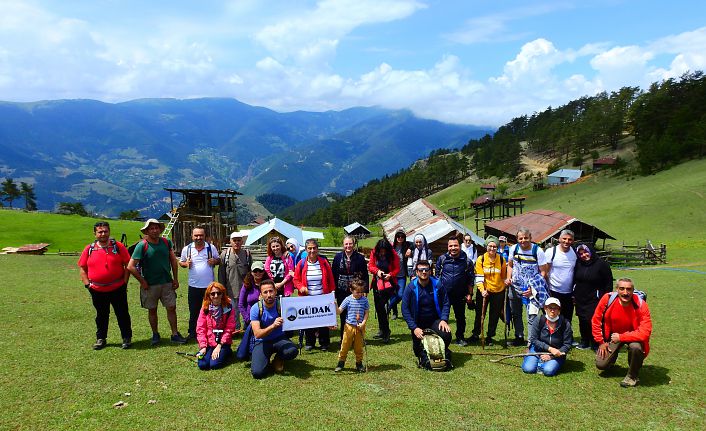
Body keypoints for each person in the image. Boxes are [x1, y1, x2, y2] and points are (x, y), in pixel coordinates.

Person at [127, 219, 187, 345]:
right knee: (152, 310)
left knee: (171, 308)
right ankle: (155, 334)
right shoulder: (142, 245)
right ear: (147, 231)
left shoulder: (166, 242)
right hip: (150, 285)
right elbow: (131, 266)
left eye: (156, 228)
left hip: (166, 282)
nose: (154, 230)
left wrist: (175, 278)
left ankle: (174, 334)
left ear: (160, 229)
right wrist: (142, 281)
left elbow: (173, 261)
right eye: (151, 228)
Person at [78, 221, 132, 350]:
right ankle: (101, 338)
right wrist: (87, 285)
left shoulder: (118, 246)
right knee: (101, 315)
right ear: (95, 233)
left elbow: (128, 265)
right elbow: (82, 268)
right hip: (97, 289)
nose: (103, 234)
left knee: (122, 314)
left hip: (118, 288)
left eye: (105, 231)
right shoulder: (89, 249)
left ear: (109, 232)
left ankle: (126, 338)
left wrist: (124, 282)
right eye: (100, 232)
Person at [592, 278, 652, 387]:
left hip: (633, 337)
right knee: (601, 364)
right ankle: (611, 361)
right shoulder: (608, 299)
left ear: (633, 290)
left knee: (636, 348)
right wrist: (601, 342)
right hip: (613, 336)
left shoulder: (641, 304)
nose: (625, 292)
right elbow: (596, 320)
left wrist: (621, 337)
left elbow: (645, 332)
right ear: (616, 290)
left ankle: (632, 376)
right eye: (622, 289)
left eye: (629, 289)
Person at [401, 260, 452, 366]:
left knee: (446, 334)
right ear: (416, 272)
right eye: (421, 270)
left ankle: (443, 351)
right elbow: (405, 309)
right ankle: (426, 355)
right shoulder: (410, 288)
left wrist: (444, 319)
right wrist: (414, 327)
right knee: (418, 351)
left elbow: (446, 302)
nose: (424, 272)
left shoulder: (437, 284)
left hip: (434, 320)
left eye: (426, 270)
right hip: (418, 323)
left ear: (430, 271)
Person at [505, 228, 549, 347]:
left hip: (531, 290)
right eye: (520, 238)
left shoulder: (538, 251)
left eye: (526, 238)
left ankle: (531, 341)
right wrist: (508, 277)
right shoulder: (513, 249)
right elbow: (510, 266)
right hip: (515, 287)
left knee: (532, 315)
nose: (523, 240)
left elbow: (543, 273)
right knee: (516, 313)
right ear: (517, 239)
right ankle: (519, 336)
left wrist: (533, 289)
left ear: (530, 237)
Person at [250, 280, 299, 378]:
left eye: (271, 291)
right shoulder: (256, 308)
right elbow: (257, 334)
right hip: (262, 341)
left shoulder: (282, 305)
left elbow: (301, 312)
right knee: (258, 373)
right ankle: (264, 359)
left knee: (292, 350)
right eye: (265, 292)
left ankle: (278, 359)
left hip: (279, 338)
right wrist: (273, 326)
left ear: (275, 291)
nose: (269, 295)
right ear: (261, 295)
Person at [179, 227, 220, 340]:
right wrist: (186, 263)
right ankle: (193, 332)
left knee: (210, 310)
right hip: (193, 286)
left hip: (209, 287)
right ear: (192, 236)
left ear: (204, 236)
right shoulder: (187, 249)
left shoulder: (211, 248)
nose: (198, 238)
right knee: (194, 311)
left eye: (201, 235)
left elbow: (218, 260)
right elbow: (181, 262)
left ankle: (210, 331)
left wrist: (214, 261)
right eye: (196, 235)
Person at [294, 238, 336, 350]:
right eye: (309, 248)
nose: (312, 250)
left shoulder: (324, 262)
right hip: (307, 298)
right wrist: (301, 287)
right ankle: (310, 343)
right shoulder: (301, 263)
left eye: (314, 248)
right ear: (306, 249)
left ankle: (324, 343)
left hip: (322, 296)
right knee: (309, 320)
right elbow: (296, 279)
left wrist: (332, 293)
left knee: (323, 319)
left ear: (317, 249)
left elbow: (331, 279)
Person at [573, 243, 613, 349]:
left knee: (593, 320)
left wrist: (606, 298)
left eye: (586, 252)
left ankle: (596, 342)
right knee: (582, 320)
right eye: (580, 254)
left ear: (591, 251)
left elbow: (608, 283)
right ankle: (584, 341)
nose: (583, 255)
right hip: (580, 297)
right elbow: (575, 279)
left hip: (595, 298)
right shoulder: (578, 263)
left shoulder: (602, 264)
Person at [469, 235, 508, 346]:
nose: (492, 249)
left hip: (498, 291)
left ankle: (490, 336)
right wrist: (482, 290)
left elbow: (503, 276)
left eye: (495, 247)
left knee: (494, 315)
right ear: (486, 246)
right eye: (490, 246)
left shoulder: (501, 260)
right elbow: (479, 277)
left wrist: (506, 281)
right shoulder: (481, 259)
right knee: (480, 314)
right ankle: (476, 334)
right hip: (484, 291)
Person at [436, 236, 474, 346]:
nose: (453, 248)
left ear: (460, 246)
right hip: (444, 295)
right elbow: (437, 277)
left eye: (455, 245)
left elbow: (471, 280)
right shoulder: (442, 259)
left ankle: (460, 337)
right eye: (451, 246)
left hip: (460, 295)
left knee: (460, 317)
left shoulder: (467, 261)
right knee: (442, 317)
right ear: (448, 247)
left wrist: (470, 294)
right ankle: (441, 337)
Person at [521, 297, 573, 377]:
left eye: (555, 308)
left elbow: (567, 344)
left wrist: (552, 356)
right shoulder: (539, 320)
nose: (552, 310)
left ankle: (542, 363)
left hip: (557, 353)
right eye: (550, 308)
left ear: (559, 310)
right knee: (528, 369)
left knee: (548, 371)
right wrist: (549, 348)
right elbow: (534, 339)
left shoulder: (565, 324)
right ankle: (534, 358)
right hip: (537, 349)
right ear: (545, 308)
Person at [332, 235, 369, 335]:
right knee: (343, 314)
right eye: (346, 244)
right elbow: (333, 275)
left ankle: (356, 336)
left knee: (355, 314)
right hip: (341, 290)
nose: (348, 246)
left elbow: (365, 274)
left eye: (350, 244)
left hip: (356, 290)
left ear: (354, 245)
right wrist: (333, 291)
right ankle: (344, 337)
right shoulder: (337, 257)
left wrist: (365, 290)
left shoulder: (360, 258)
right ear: (343, 245)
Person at [196, 282, 236, 370]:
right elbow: (200, 329)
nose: (216, 296)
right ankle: (211, 353)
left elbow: (229, 328)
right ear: (209, 295)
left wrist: (220, 345)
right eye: (212, 293)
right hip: (209, 342)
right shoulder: (205, 308)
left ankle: (227, 352)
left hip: (223, 342)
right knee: (202, 365)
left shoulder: (228, 307)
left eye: (218, 293)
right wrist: (203, 347)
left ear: (222, 294)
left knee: (214, 365)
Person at [368, 238, 400, 344]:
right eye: (381, 250)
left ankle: (386, 331)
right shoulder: (374, 252)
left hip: (389, 283)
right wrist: (377, 271)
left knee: (382, 307)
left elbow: (397, 268)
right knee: (378, 307)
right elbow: (371, 266)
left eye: (384, 250)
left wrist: (390, 274)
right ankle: (381, 329)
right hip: (377, 282)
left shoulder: (393, 254)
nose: (382, 252)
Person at [218, 231, 252, 330]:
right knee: (233, 310)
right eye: (234, 240)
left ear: (242, 242)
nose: (236, 242)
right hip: (230, 289)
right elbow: (221, 273)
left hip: (245, 288)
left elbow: (251, 272)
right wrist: (222, 289)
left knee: (246, 309)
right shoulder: (225, 255)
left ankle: (248, 327)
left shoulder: (246, 254)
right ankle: (235, 329)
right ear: (230, 242)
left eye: (239, 240)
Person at [334, 279, 370, 373]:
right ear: (351, 290)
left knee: (358, 347)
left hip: (360, 327)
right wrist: (335, 305)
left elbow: (366, 313)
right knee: (345, 345)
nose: (359, 294)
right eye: (357, 292)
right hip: (349, 326)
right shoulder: (348, 299)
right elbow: (339, 311)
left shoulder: (364, 300)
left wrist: (363, 323)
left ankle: (359, 363)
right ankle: (341, 362)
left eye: (361, 292)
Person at [546, 230, 577, 322]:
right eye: (564, 239)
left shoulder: (575, 253)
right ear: (559, 239)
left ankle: (566, 336)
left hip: (569, 293)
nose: (566, 241)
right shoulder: (551, 252)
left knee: (567, 319)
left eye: (569, 239)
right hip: (553, 291)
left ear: (573, 241)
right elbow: (545, 272)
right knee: (553, 318)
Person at [389, 230, 413, 319]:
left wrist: (410, 249)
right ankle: (394, 312)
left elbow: (415, 243)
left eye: (402, 236)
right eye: (398, 236)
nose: (400, 238)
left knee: (400, 295)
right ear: (395, 237)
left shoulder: (406, 245)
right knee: (392, 294)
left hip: (402, 275)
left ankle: (388, 307)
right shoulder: (391, 247)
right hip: (392, 275)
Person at [238, 262, 269, 328]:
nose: (258, 273)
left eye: (260, 271)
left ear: (264, 272)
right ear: (251, 272)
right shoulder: (246, 285)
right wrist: (247, 319)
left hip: (266, 319)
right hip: (250, 319)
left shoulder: (268, 285)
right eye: (255, 271)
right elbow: (241, 304)